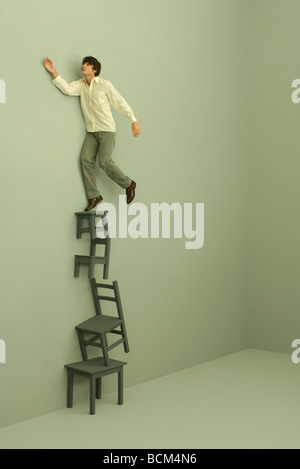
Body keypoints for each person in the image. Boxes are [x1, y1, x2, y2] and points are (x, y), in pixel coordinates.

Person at [43, 56, 141, 211]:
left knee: (104, 162)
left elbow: (120, 102)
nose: (83, 65)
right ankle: (94, 195)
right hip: (91, 132)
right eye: (84, 63)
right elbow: (67, 90)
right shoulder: (81, 85)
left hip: (107, 130)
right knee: (85, 160)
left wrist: (133, 120)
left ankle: (128, 184)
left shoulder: (104, 85)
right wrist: (54, 72)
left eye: (87, 64)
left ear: (94, 70)